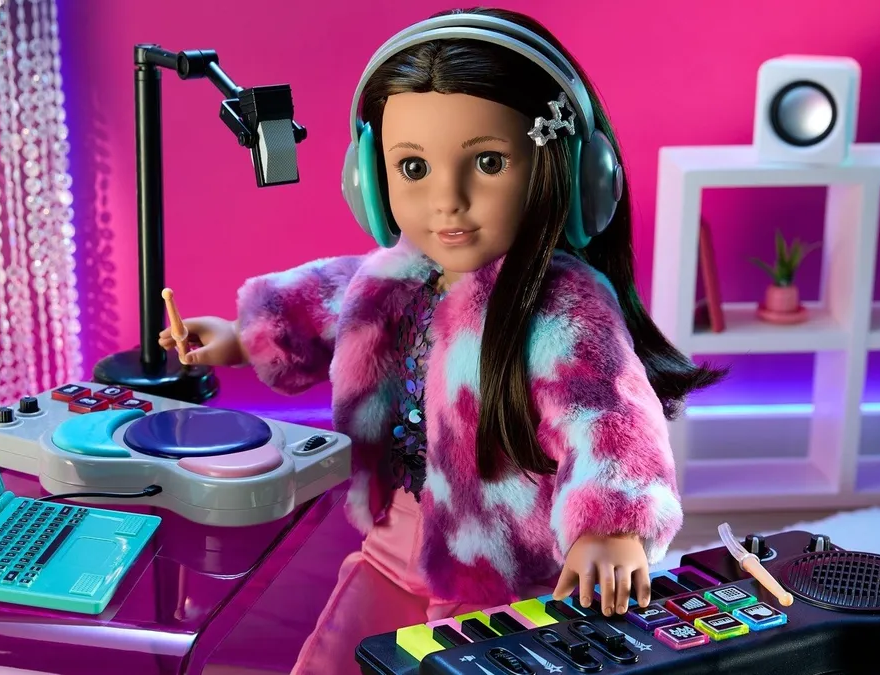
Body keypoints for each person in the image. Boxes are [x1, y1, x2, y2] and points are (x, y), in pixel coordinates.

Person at [160, 7, 724, 673]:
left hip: (509, 584)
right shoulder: (389, 280)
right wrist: (239, 336)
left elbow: (610, 415)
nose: (447, 199)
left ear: (566, 172)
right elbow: (326, 304)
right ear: (370, 178)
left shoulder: (563, 307)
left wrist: (610, 526)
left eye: (487, 162)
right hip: (388, 555)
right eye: (413, 168)